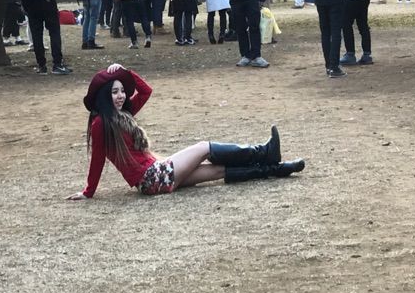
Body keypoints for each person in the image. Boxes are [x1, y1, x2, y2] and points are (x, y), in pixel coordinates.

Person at [66, 64, 305, 199]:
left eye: (122, 91)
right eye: (114, 92)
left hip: (154, 178)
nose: (120, 96)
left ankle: (278, 169)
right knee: (203, 147)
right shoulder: (101, 124)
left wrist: (127, 72)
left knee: (218, 171)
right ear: (103, 97)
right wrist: (88, 192)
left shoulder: (124, 114)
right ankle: (264, 151)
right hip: (152, 177)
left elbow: (146, 91)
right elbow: (96, 160)